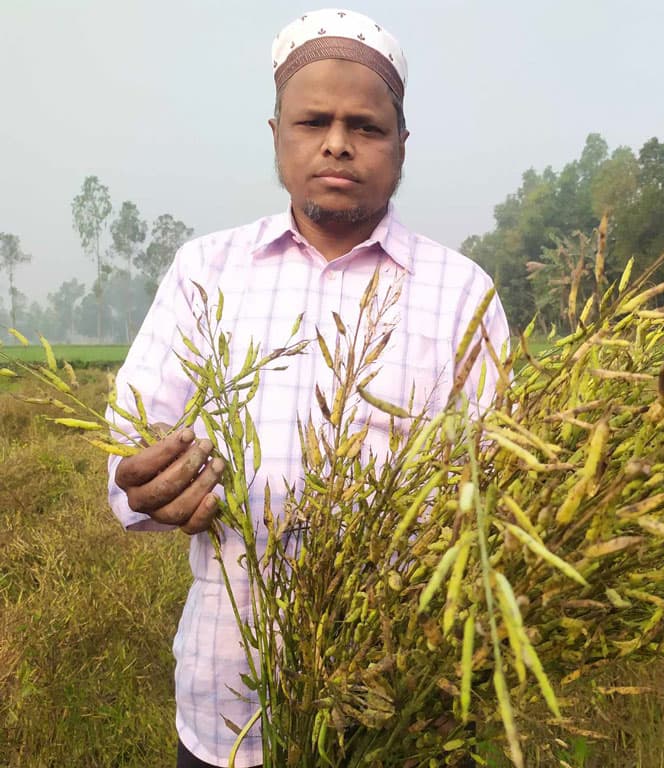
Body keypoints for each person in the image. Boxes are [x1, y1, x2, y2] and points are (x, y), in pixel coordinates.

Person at [107, 9, 509, 767]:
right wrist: (143, 485)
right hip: (229, 707)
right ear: (276, 134)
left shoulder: (463, 294)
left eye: (366, 126)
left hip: (404, 704)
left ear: (400, 146)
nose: (337, 142)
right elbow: (129, 454)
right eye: (313, 120)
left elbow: (500, 493)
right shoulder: (205, 274)